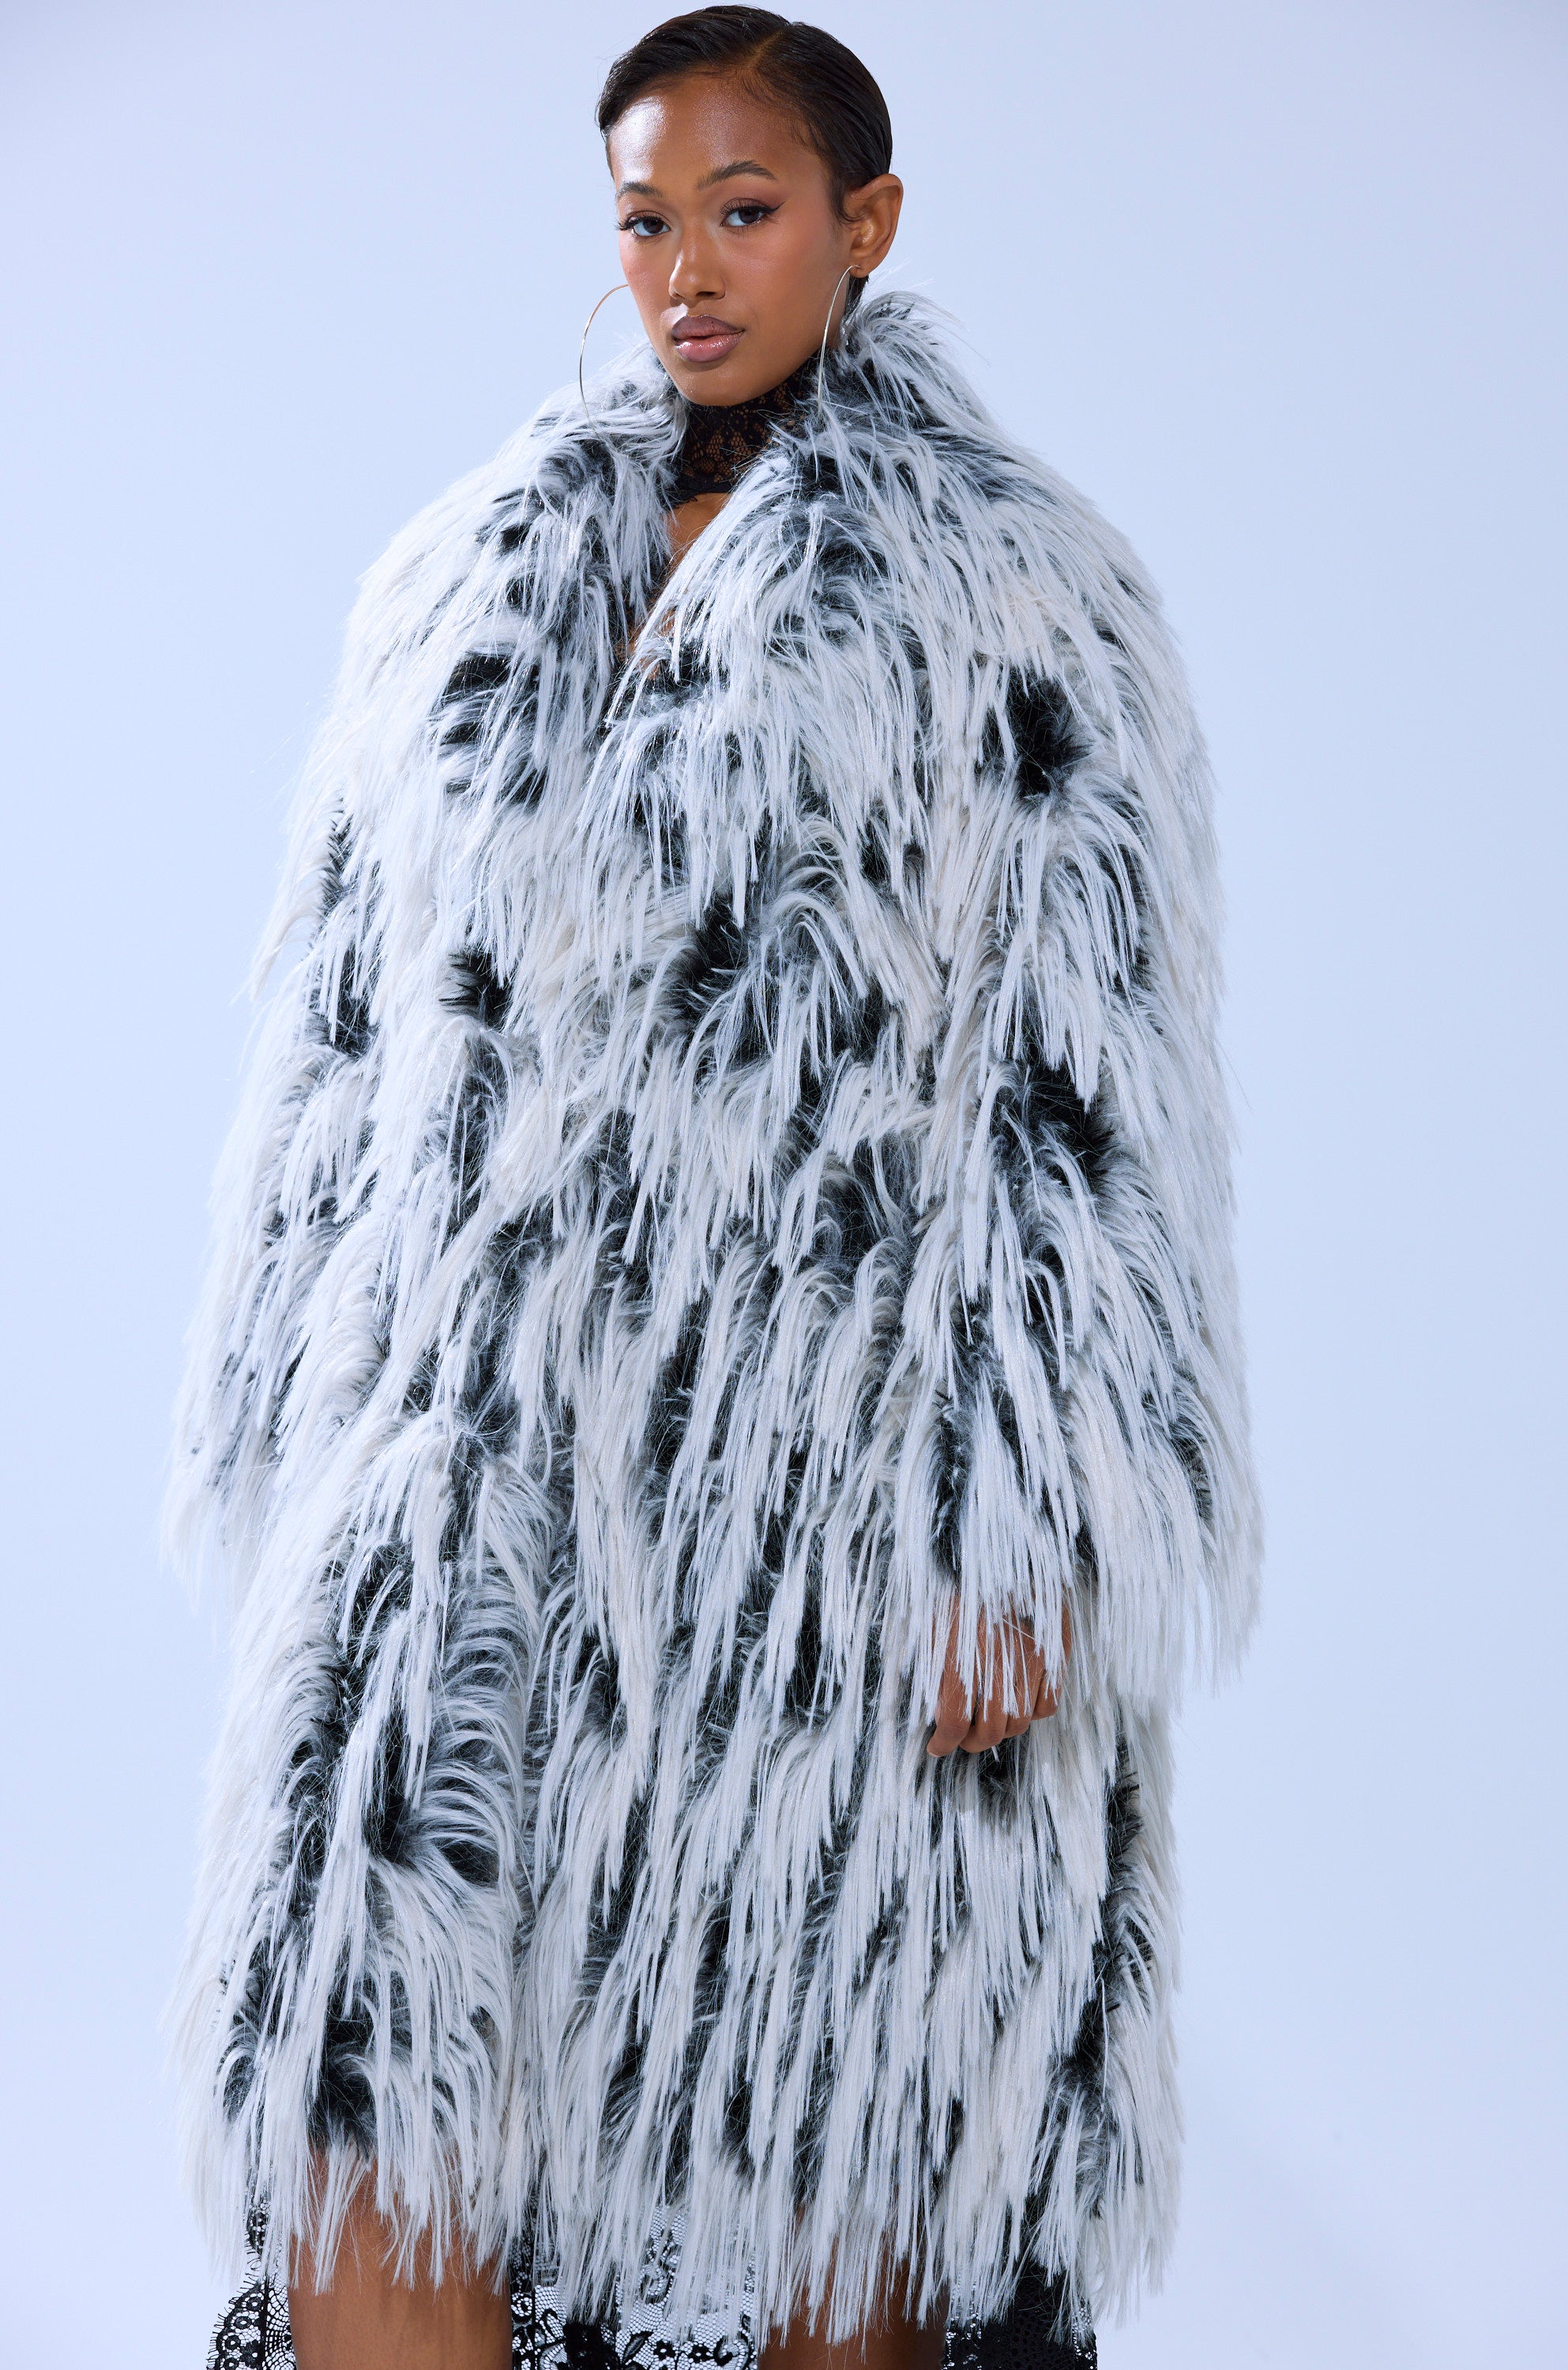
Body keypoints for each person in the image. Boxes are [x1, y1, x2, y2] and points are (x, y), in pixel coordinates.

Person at [177, 11, 1259, 2368]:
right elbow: (344, 1027)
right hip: (460, 1510)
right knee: (382, 2158)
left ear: (867, 224)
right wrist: (305, 1425)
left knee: (822, 2164)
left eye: (743, 209)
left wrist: (1029, 1533)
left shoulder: (1015, 594)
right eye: (645, 219)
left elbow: (1085, 1102)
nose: (686, 268)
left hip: (821, 1523)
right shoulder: (460, 572)